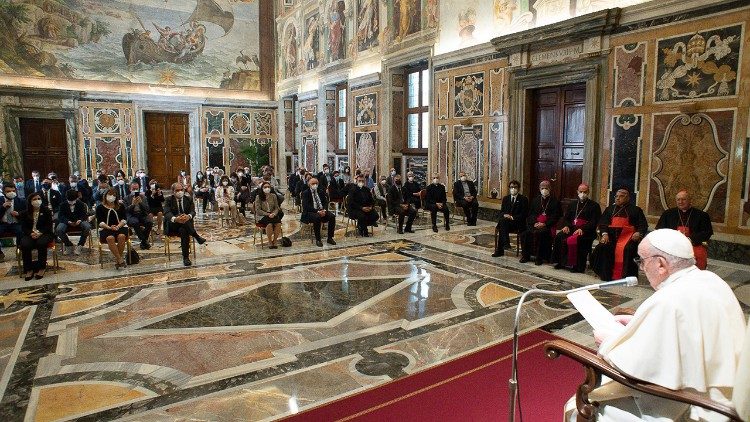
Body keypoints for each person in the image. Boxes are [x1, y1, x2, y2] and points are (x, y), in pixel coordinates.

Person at [566, 229, 746, 421]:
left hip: (691, 407)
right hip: (724, 398)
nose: (642, 269)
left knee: (576, 407)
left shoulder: (669, 299)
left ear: (660, 264)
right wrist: (638, 321)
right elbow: (684, 331)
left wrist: (608, 342)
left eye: (642, 261)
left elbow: (637, 366)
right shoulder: (711, 281)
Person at [590, 188, 648, 281]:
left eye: (621, 196)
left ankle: (626, 277)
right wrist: (604, 234)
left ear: (628, 198)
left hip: (628, 239)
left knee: (629, 249)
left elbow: (643, 225)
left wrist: (638, 233)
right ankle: (605, 274)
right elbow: (603, 223)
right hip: (611, 238)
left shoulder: (636, 210)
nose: (617, 198)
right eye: (616, 196)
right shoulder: (610, 209)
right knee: (602, 247)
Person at [656, 190, 713, 270]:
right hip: (672, 248)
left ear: (690, 200)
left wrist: (690, 239)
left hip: (694, 247)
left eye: (683, 199)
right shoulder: (668, 214)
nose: (680, 202)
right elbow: (659, 231)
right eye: (678, 199)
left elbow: (707, 232)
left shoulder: (702, 215)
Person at [552, 183, 601, 272]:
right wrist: (566, 226)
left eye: (585, 192)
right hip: (572, 228)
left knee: (579, 240)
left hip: (586, 231)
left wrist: (583, 229)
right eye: (580, 191)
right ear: (577, 192)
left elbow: (594, 221)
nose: (582, 193)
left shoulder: (595, 206)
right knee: (559, 236)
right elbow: (566, 218)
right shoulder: (572, 204)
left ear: (588, 192)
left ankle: (576, 266)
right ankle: (561, 262)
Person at [519, 180, 561, 265]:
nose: (544, 190)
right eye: (542, 188)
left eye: (546, 188)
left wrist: (545, 224)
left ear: (550, 189)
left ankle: (539, 257)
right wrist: (534, 222)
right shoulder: (535, 200)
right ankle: (526, 256)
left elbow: (556, 216)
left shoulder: (555, 201)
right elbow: (530, 214)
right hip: (536, 224)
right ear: (539, 189)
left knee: (541, 234)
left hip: (548, 226)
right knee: (525, 233)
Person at [164, 183, 206, 266]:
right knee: (181, 220)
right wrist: (176, 219)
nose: (179, 192)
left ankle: (186, 258)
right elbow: (167, 213)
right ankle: (196, 236)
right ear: (173, 192)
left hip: (185, 225)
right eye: (177, 190)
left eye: (181, 190)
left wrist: (188, 216)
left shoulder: (188, 199)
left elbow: (193, 212)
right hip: (173, 225)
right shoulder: (168, 199)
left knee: (184, 230)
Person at [19, 192, 53, 280]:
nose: (37, 201)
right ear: (30, 201)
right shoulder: (25, 213)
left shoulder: (46, 211)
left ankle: (41, 268)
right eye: (34, 199)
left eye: (39, 199)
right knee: (25, 245)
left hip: (44, 233)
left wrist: (40, 233)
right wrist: (31, 233)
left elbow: (48, 226)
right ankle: (29, 269)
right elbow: (23, 227)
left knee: (41, 243)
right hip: (30, 233)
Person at [492, 180, 529, 257]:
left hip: (517, 223)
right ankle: (506, 244)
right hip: (506, 222)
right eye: (511, 187)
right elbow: (501, 212)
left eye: (515, 187)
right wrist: (505, 215)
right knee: (503, 221)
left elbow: (524, 214)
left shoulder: (523, 199)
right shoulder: (506, 198)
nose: (513, 189)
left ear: (518, 188)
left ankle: (501, 249)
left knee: (502, 224)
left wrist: (512, 217)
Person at [96, 188, 129, 270]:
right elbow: (100, 222)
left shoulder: (120, 206)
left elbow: (124, 219)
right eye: (110, 195)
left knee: (121, 236)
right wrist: (109, 227)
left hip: (119, 227)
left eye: (114, 195)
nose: (111, 197)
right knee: (110, 238)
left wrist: (118, 226)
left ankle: (118, 260)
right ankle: (120, 259)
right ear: (105, 196)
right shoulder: (99, 207)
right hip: (106, 228)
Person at [301, 177, 336, 247]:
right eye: (313, 183)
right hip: (310, 212)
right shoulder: (305, 193)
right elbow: (306, 206)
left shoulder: (320, 191)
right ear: (309, 184)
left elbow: (325, 202)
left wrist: (324, 210)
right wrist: (317, 211)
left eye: (316, 183)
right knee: (317, 217)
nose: (315, 185)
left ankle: (330, 238)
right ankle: (318, 239)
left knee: (332, 216)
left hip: (322, 210)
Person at [56, 189, 91, 255]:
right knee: (59, 229)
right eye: (70, 201)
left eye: (73, 200)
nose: (72, 202)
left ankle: (80, 245)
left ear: (76, 198)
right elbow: (60, 216)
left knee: (87, 226)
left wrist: (80, 220)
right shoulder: (62, 205)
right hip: (66, 222)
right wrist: (68, 221)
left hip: (79, 221)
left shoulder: (80, 203)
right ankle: (68, 245)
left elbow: (84, 214)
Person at [0, 182, 26, 262]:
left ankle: (19, 250)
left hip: (15, 223)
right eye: (8, 191)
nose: (11, 193)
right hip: (2, 223)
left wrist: (18, 214)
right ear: (3, 192)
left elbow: (25, 214)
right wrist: (3, 207)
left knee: (21, 231)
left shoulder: (20, 201)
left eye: (13, 191)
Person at [124, 181, 153, 250]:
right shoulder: (126, 198)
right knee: (135, 222)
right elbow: (126, 211)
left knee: (149, 222)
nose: (135, 190)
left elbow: (147, 209)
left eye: (137, 189)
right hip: (132, 215)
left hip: (142, 214)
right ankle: (144, 241)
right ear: (130, 189)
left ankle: (143, 241)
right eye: (133, 189)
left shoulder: (143, 197)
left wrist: (141, 203)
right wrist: (133, 204)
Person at [254, 181, 283, 248]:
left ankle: (275, 241)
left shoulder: (273, 196)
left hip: (272, 215)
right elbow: (258, 210)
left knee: (278, 223)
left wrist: (274, 213)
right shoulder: (258, 197)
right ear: (262, 188)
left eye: (268, 187)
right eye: (265, 187)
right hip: (262, 216)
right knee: (269, 224)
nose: (267, 188)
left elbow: (277, 207)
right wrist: (267, 214)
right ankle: (270, 241)